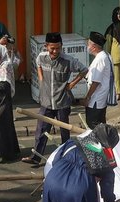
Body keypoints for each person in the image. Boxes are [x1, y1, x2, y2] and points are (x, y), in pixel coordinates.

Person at [21, 32, 88, 165]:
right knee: (41, 131)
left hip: (62, 102)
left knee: (64, 132)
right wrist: (41, 81)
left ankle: (66, 158)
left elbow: (84, 70)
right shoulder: (42, 57)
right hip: (46, 102)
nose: (55, 51)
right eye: (52, 48)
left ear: (61, 46)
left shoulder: (68, 60)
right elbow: (38, 65)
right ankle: (36, 157)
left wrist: (72, 84)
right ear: (46, 46)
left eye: (58, 48)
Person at [83, 32, 113, 129]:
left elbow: (95, 82)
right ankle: (104, 143)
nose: (87, 47)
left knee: (93, 125)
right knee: (101, 125)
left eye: (88, 44)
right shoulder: (106, 55)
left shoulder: (100, 59)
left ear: (94, 46)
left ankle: (100, 143)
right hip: (101, 98)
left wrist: (87, 97)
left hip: (95, 99)